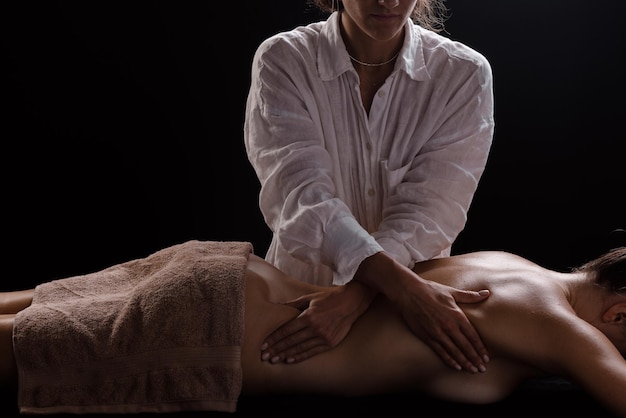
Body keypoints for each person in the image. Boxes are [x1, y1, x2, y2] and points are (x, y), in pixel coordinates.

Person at [1, 241, 625, 416]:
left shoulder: (511, 264)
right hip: (209, 326)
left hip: (222, 274)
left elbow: (392, 273)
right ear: (619, 315)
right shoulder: (551, 317)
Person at [243, 0, 495, 373]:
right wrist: (399, 287)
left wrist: (359, 295)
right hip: (300, 303)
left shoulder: (463, 73)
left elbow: (433, 210)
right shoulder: (284, 58)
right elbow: (300, 196)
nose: (389, 2)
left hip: (415, 311)